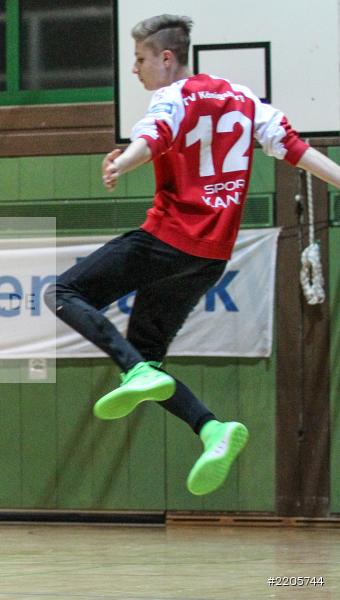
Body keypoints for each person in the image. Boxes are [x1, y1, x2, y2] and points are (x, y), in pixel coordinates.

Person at [45, 15, 340, 495]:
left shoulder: (172, 98)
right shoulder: (246, 100)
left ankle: (135, 370)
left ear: (166, 58)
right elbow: (297, 149)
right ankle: (211, 430)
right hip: (211, 257)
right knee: (148, 358)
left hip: (169, 238)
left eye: (139, 59)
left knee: (62, 291)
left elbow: (152, 138)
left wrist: (121, 161)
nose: (135, 70)